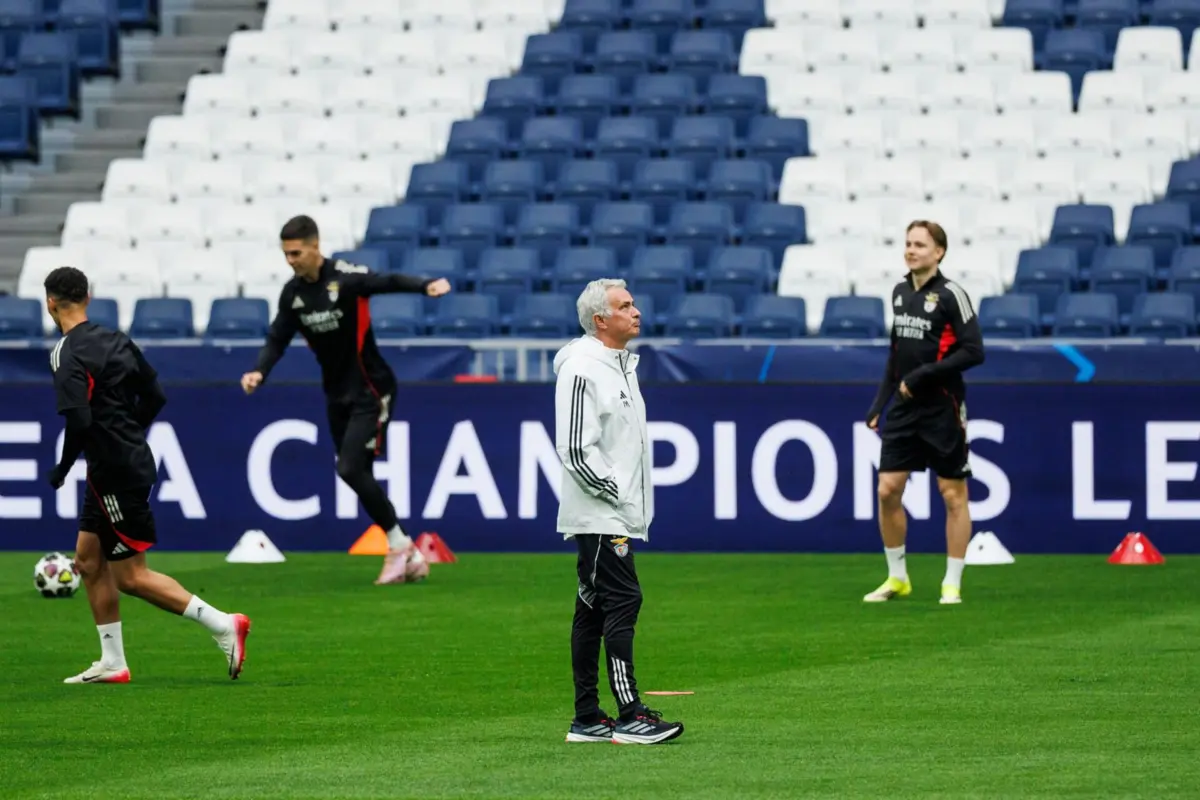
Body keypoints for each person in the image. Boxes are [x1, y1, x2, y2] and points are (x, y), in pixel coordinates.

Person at [43, 266, 251, 684]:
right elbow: (155, 395)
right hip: (117, 465)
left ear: (50, 302)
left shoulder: (66, 353)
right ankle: (113, 662)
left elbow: (80, 421)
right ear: (88, 296)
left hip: (115, 471)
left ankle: (224, 624)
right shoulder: (117, 339)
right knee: (87, 559)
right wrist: (128, 432)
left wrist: (63, 468)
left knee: (132, 576)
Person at [241, 215, 452, 585]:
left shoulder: (346, 277)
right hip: (336, 394)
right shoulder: (293, 295)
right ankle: (410, 555)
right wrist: (260, 371)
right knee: (355, 470)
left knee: (350, 468)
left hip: (372, 388)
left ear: (314, 246)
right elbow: (277, 338)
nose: (291, 260)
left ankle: (400, 547)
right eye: (286, 254)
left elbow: (386, 281)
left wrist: (425, 286)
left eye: (296, 252)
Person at [551, 278, 684, 746]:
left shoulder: (619, 364)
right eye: (625, 305)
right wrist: (617, 496)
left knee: (591, 607)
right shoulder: (584, 368)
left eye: (634, 303)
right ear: (600, 320)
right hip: (600, 514)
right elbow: (574, 447)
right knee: (624, 600)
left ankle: (587, 716)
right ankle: (629, 715)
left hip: (610, 513)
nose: (636, 311)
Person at [864, 221, 986, 606]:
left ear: (939, 252)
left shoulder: (952, 295)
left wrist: (923, 376)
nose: (911, 250)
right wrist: (878, 404)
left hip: (942, 406)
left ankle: (952, 582)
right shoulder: (900, 292)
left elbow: (973, 351)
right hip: (904, 405)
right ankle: (897, 577)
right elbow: (895, 355)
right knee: (887, 490)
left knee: (951, 494)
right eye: (908, 243)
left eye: (919, 244)